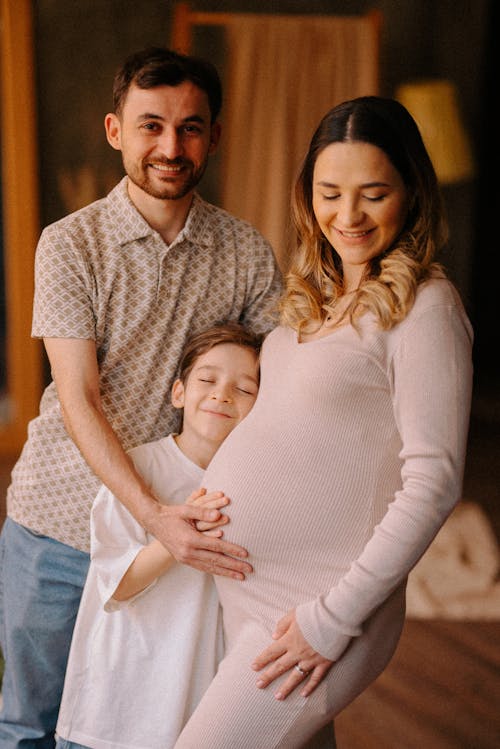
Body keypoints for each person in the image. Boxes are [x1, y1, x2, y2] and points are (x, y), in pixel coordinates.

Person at [0, 47, 282, 748]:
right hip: (59, 527)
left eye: (190, 127)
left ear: (214, 136)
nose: (170, 145)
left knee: (132, 722)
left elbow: (278, 390)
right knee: (27, 723)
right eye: (150, 124)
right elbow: (78, 396)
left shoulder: (246, 252)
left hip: (177, 528)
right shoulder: (69, 244)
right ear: (114, 129)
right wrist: (156, 516)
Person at [172, 96, 474, 748]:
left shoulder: (427, 307)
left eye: (373, 193)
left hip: (321, 603)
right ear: (307, 195)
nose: (348, 215)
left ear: (411, 191)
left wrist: (330, 620)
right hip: (252, 593)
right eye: (330, 192)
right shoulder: (315, 298)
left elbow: (435, 482)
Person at [53, 322, 261, 749]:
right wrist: (174, 538)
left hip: (191, 709)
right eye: (208, 379)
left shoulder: (254, 487)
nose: (223, 394)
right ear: (179, 393)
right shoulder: (139, 470)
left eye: (244, 389)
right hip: (114, 711)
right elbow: (119, 583)